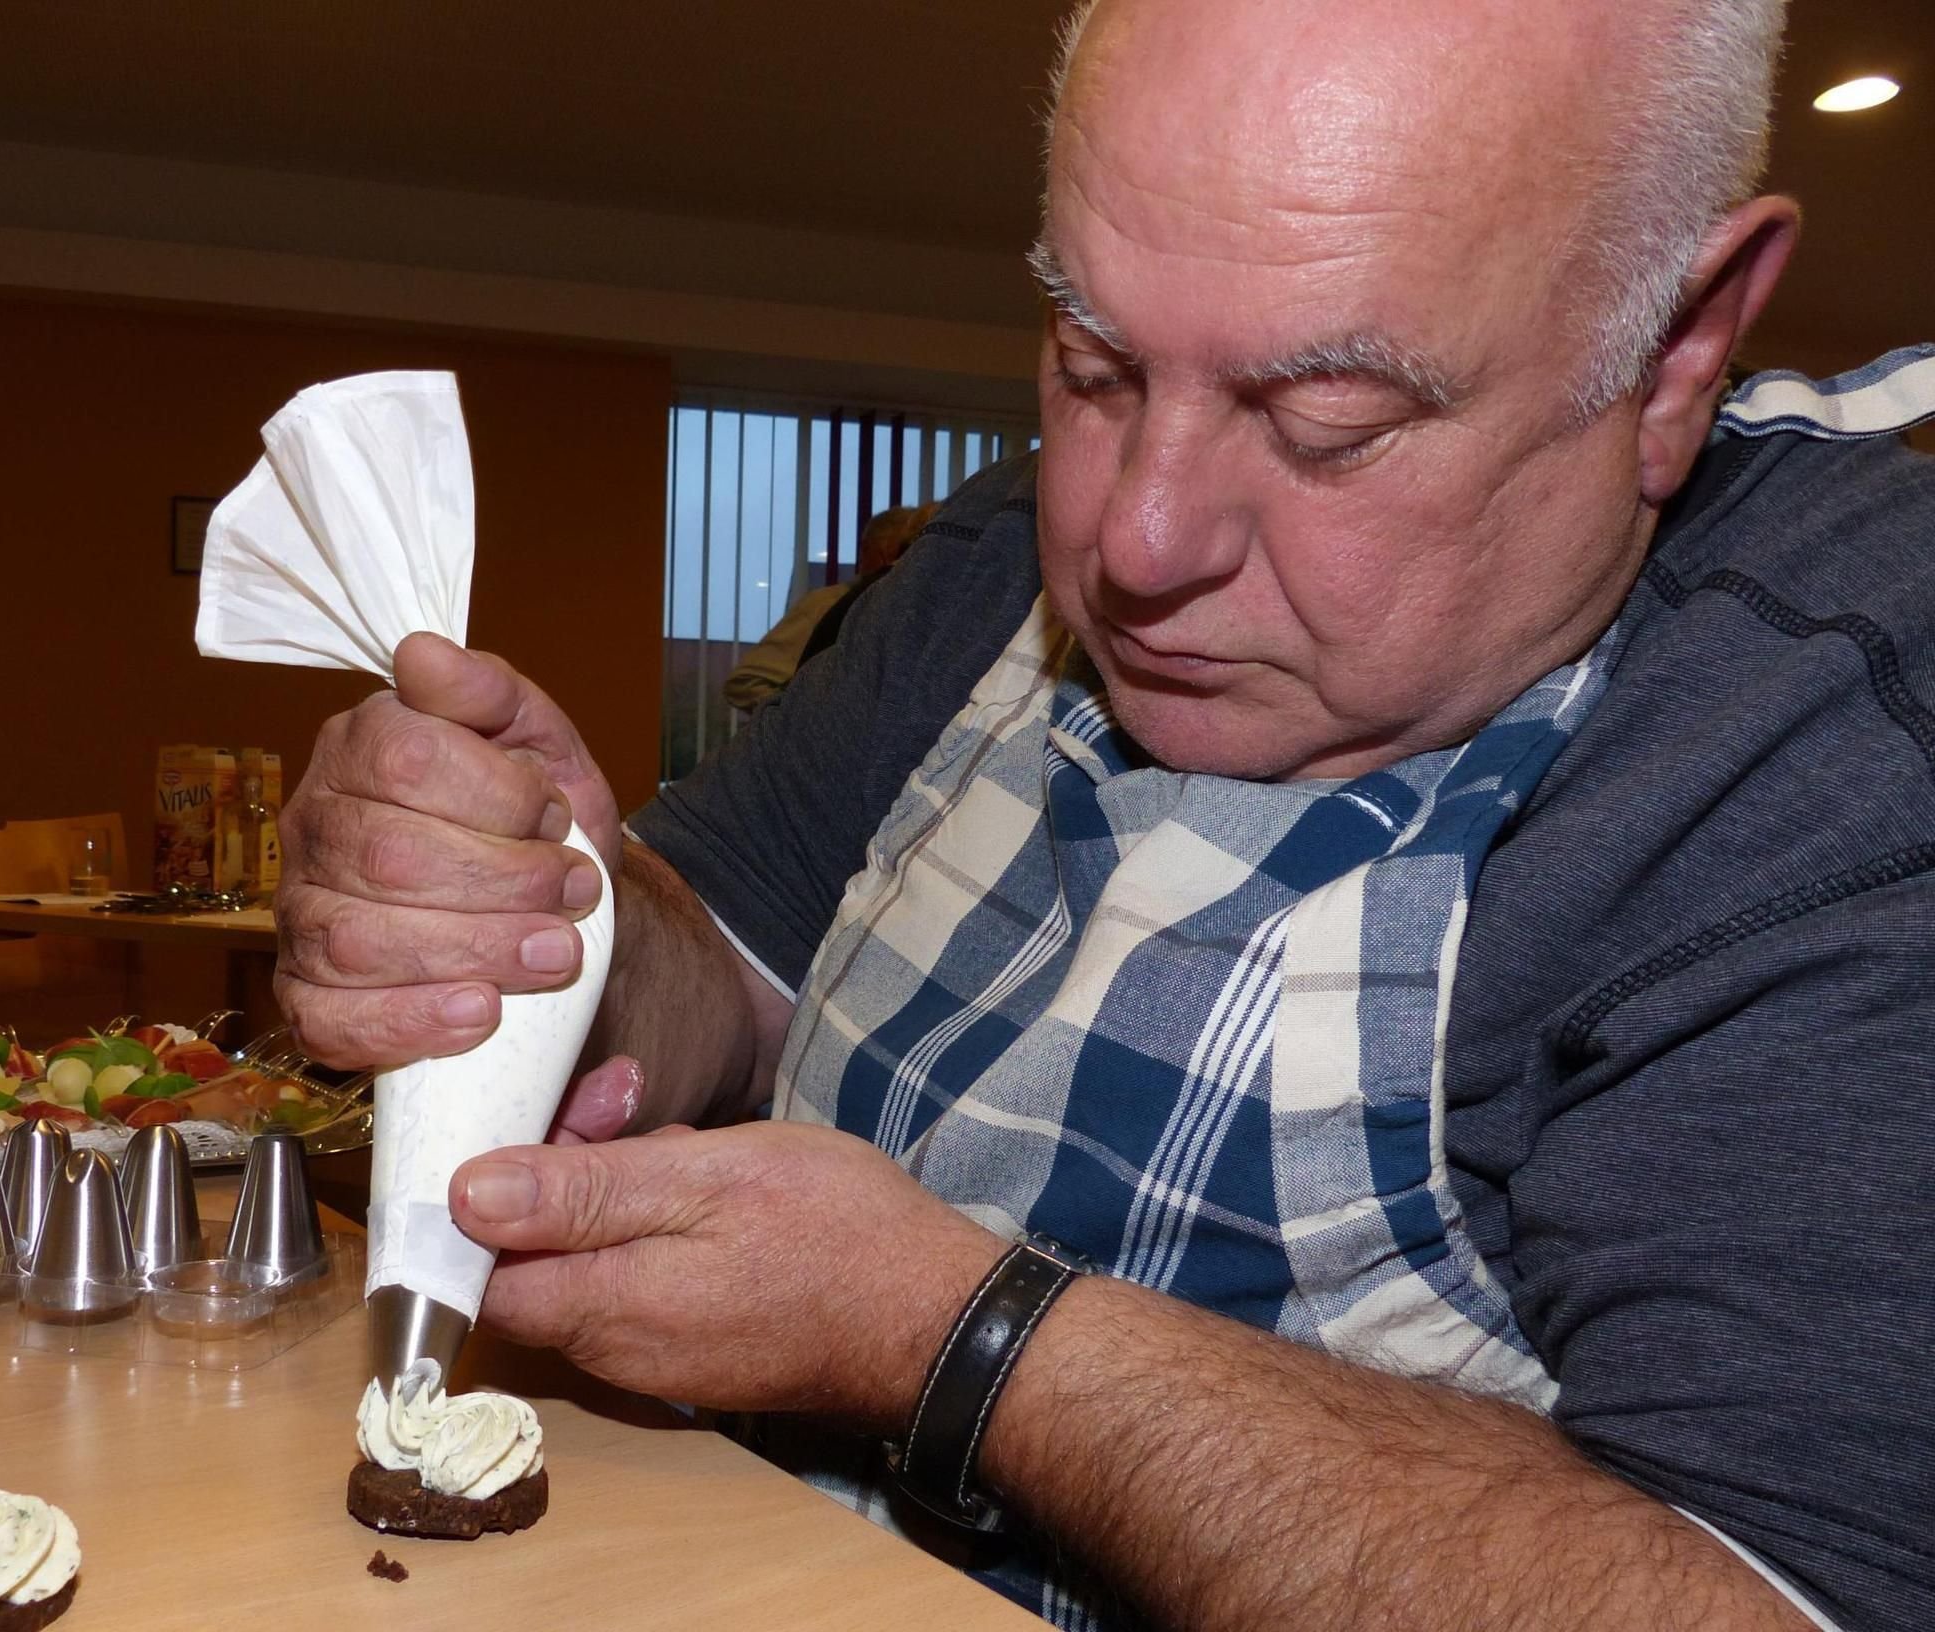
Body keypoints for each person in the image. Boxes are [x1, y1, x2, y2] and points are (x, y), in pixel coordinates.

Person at [273, 1, 1935, 1627]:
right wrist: (556, 907)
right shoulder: (1004, 554)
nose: (1133, 538)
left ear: (1676, 353)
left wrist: (966, 1343)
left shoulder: (1843, 721)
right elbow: (717, 978)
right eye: (1093, 363)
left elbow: (1774, 1587)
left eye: (1326, 423)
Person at [720, 501, 937, 711]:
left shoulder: (920, 611)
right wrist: (801, 718)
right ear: (886, 552)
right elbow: (745, 682)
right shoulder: (827, 605)